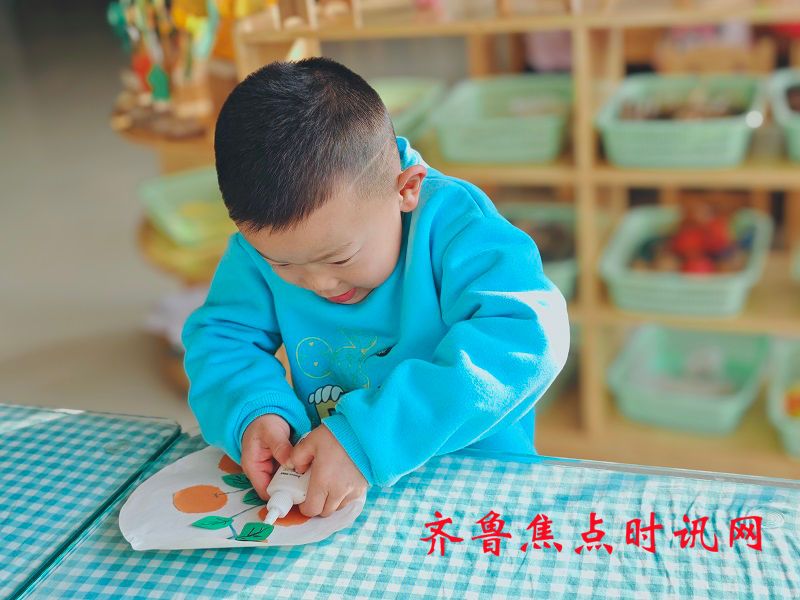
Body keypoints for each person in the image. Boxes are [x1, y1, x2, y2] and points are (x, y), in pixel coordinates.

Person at [182, 57, 570, 519]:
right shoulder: (263, 247)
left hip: (475, 483)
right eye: (283, 264)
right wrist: (254, 410)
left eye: (340, 258)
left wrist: (367, 438)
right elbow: (222, 338)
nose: (318, 283)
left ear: (406, 190)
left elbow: (526, 337)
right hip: (338, 488)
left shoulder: (459, 228)